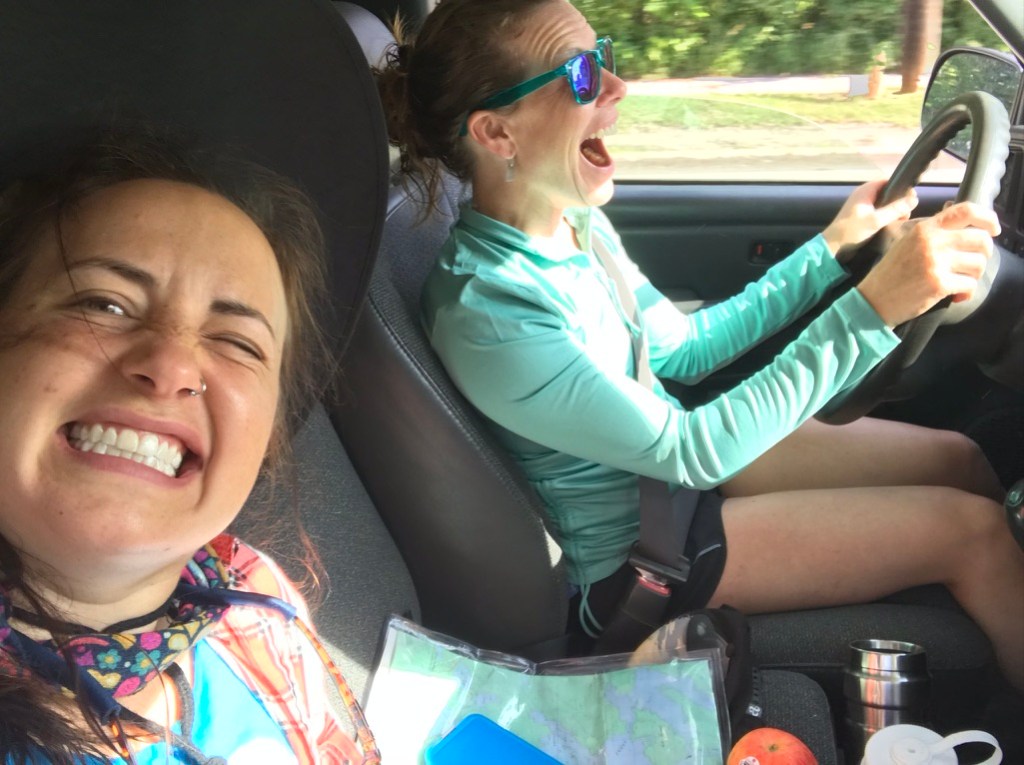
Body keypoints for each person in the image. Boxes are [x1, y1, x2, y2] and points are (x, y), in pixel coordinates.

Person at [377, 0, 1024, 688]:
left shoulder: (575, 225)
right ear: (496, 132)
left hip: (671, 484)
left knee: (959, 458)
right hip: (645, 561)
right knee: (974, 533)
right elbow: (692, 449)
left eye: (605, 56)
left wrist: (832, 248)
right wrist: (875, 307)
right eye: (581, 73)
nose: (618, 86)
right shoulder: (489, 309)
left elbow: (684, 347)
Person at [0, 134, 379, 763]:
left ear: (269, 437)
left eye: (237, 342)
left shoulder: (258, 598)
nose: (172, 366)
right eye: (104, 304)